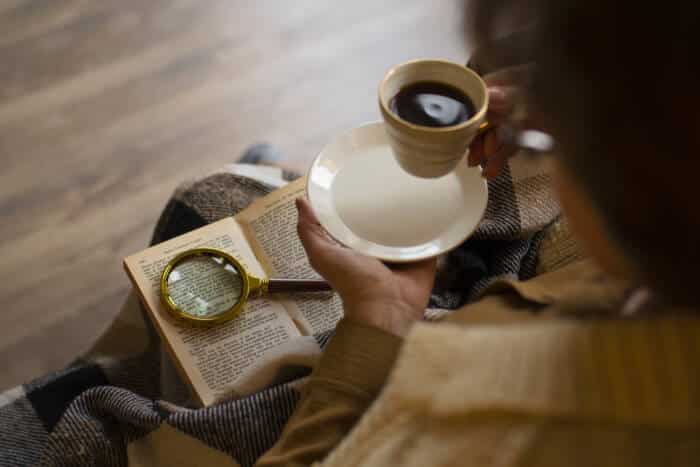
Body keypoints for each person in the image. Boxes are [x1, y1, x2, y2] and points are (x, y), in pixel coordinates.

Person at [253, 0, 700, 465]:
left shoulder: (475, 421)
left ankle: (262, 169)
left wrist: (377, 321)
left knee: (209, 195)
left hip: (406, 343)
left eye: (564, 137)